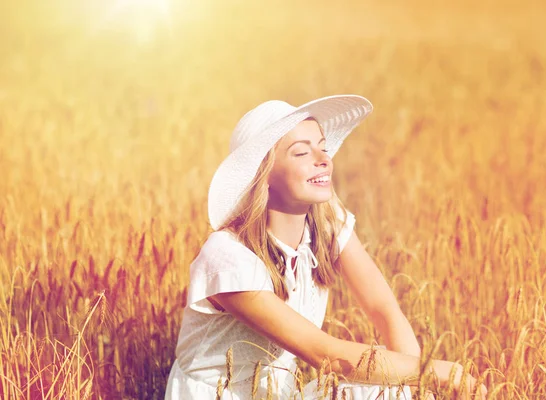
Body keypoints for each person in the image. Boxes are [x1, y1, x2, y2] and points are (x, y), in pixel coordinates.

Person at [165, 94, 487, 399]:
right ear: (263, 176)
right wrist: (437, 372)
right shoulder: (228, 257)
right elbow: (324, 355)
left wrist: (415, 387)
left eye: (322, 147)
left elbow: (383, 309)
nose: (323, 159)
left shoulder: (327, 225)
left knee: (391, 390)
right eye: (302, 153)